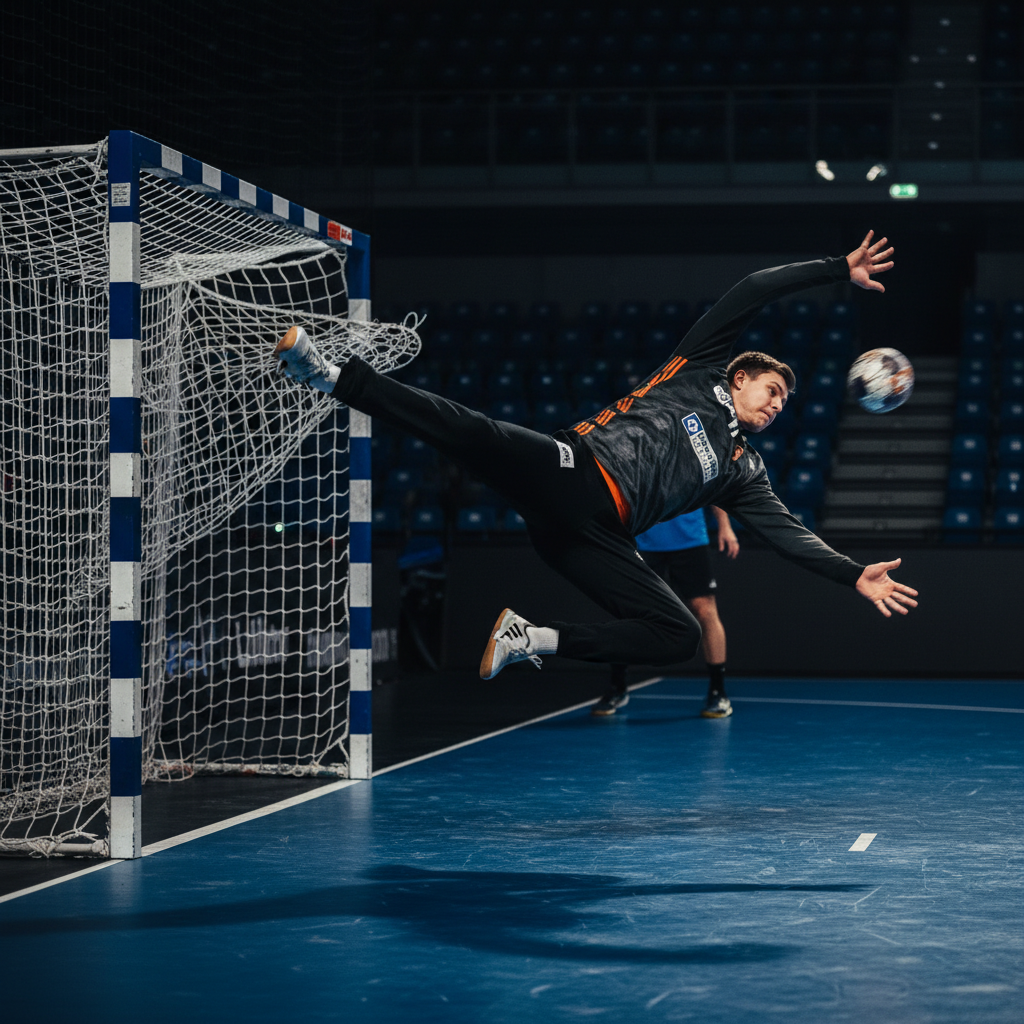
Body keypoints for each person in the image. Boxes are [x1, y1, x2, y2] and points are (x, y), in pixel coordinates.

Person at [273, 230, 918, 681]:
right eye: (772, 390)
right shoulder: (697, 369)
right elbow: (752, 289)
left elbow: (789, 535)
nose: (777, 405)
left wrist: (852, 574)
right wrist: (837, 269)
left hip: (594, 537)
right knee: (469, 431)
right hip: (575, 470)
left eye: (784, 403)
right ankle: (331, 375)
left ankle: (532, 638)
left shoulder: (743, 470)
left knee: (678, 634)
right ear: (741, 376)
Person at [592, 506, 738, 719]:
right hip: (643, 541)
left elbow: (713, 490)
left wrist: (725, 525)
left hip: (691, 539)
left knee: (705, 611)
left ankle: (718, 692)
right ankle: (617, 687)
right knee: (628, 611)